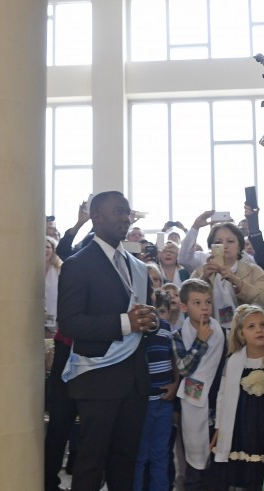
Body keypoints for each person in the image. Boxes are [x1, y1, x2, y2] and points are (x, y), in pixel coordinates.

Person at [57, 191, 157, 491]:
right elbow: (70, 322)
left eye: (127, 212)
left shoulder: (138, 267)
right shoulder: (78, 264)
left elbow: (145, 317)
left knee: (126, 462)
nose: (125, 218)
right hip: (98, 380)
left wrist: (150, 321)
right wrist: (125, 322)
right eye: (118, 211)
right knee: (91, 463)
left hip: (134, 380)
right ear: (96, 217)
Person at [210, 304, 264, 491]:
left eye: (263, 325)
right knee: (245, 472)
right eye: (251, 326)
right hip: (242, 423)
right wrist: (218, 425)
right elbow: (222, 395)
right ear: (241, 334)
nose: (259, 330)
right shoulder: (233, 361)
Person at [171, 278, 226, 490]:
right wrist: (200, 341)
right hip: (191, 405)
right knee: (193, 463)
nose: (204, 307)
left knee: (215, 462)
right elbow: (184, 369)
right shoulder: (177, 335)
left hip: (214, 404)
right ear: (184, 307)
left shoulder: (220, 332)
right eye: (197, 302)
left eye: (208, 302)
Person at [133, 290, 179, 491]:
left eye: (160, 311)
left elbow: (174, 359)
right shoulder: (137, 332)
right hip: (143, 405)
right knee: (140, 457)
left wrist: (175, 384)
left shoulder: (167, 328)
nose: (155, 315)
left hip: (164, 403)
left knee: (161, 455)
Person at [191, 223, 264, 332]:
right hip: (210, 334)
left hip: (246, 333)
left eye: (230, 241)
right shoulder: (200, 272)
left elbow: (262, 300)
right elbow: (188, 303)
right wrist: (204, 278)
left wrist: (235, 280)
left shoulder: (254, 271)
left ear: (240, 246)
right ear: (211, 247)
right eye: (218, 242)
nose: (224, 246)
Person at [45, 236, 62, 338]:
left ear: (53, 250)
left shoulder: (59, 270)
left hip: (55, 317)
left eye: (47, 247)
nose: (44, 250)